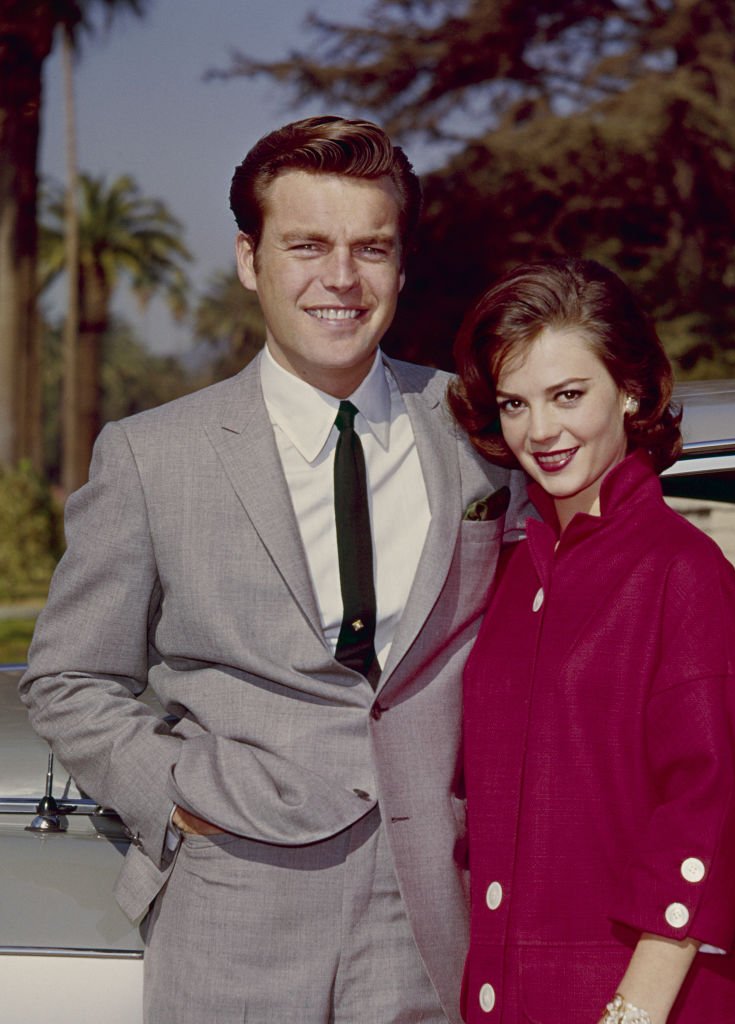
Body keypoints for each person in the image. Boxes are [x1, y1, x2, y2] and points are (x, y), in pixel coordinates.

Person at [19, 116, 521, 1024]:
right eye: (307, 245)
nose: (341, 277)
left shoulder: (480, 432)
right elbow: (68, 677)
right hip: (232, 902)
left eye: (371, 247)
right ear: (250, 260)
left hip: (439, 909)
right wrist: (174, 796)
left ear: (401, 267)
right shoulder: (150, 454)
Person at [447, 257, 735, 1024]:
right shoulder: (507, 573)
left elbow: (703, 804)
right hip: (511, 996)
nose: (540, 431)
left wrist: (630, 1014)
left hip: (647, 1002)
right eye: (514, 404)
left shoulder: (682, 570)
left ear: (631, 389)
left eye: (567, 395)